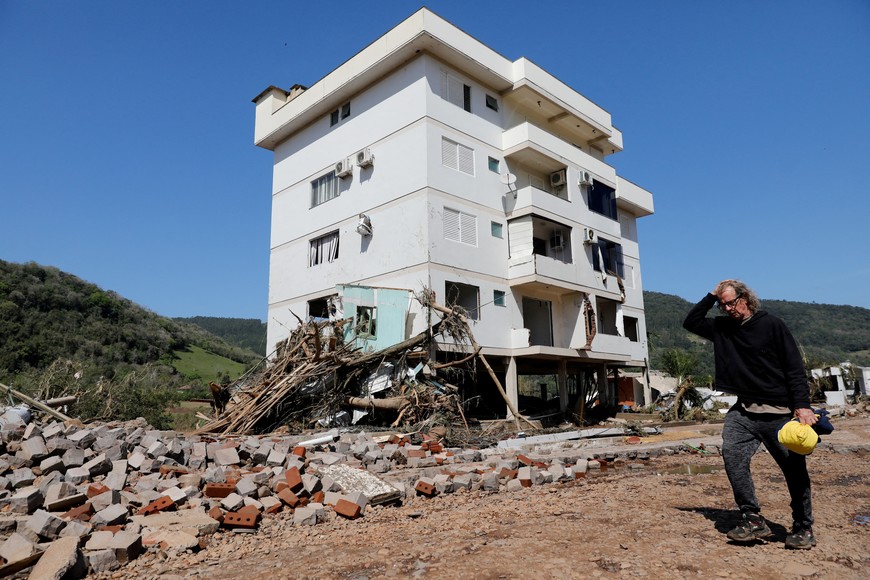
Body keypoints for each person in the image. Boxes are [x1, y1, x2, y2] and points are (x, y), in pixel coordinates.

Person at [683, 279, 818, 549]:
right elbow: (692, 321)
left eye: (731, 302)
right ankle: (752, 518)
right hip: (744, 412)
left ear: (745, 298)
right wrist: (712, 295)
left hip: (779, 414)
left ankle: (803, 527)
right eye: (723, 305)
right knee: (733, 458)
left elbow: (793, 367)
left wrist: (802, 405)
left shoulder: (772, 325)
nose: (728, 309)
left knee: (794, 472)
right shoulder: (723, 328)